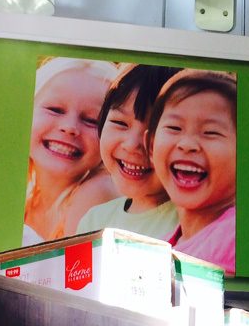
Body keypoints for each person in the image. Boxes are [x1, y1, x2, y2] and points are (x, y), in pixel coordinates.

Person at [76, 64, 181, 239]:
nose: (132, 145)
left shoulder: (191, 223)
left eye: (155, 131)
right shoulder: (94, 221)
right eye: (120, 123)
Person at [147, 70, 237, 274]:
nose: (187, 144)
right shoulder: (165, 245)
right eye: (174, 128)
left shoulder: (234, 236)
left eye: (210, 132)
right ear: (151, 146)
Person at [23, 58, 120, 243]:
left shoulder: (95, 193)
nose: (69, 127)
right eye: (55, 109)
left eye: (91, 120)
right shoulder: (25, 191)